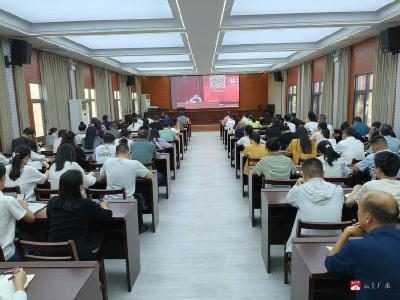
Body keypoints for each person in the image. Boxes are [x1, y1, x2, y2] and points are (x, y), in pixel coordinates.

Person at [326, 191, 400, 299]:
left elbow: (330, 264)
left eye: (359, 209)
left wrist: (346, 233)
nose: (357, 212)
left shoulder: (357, 247)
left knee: (349, 287)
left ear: (367, 217)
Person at [47, 170, 112, 260]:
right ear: (80, 186)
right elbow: (107, 216)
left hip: (53, 251)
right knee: (100, 231)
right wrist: (104, 206)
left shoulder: (52, 202)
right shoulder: (85, 203)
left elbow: (49, 217)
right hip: (78, 253)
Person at [285, 158, 343, 252]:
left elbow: (289, 199)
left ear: (304, 175)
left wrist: (297, 184)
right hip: (334, 240)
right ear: (323, 173)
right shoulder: (338, 190)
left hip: (304, 239)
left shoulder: (299, 190)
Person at [99, 144, 153, 232]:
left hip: (108, 199)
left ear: (115, 154)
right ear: (128, 153)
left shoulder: (108, 162)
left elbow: (100, 178)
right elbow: (150, 176)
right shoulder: (134, 163)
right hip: (127, 200)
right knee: (138, 197)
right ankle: (139, 226)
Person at [0, 163, 35, 261]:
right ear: (3, 178)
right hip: (7, 256)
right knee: (33, 248)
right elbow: (31, 219)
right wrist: (24, 206)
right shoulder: (8, 201)